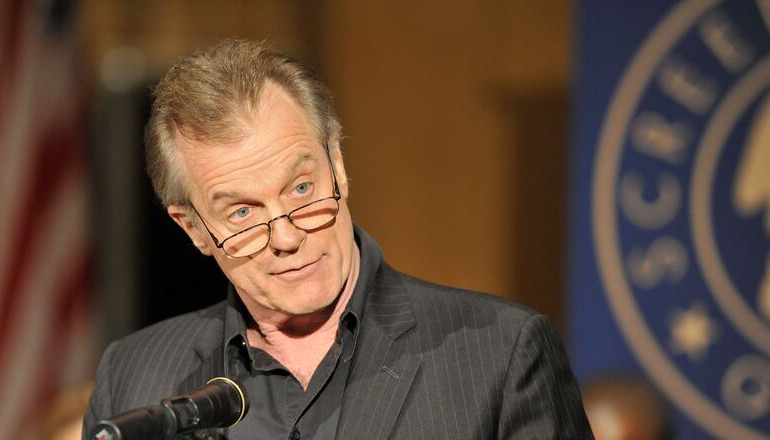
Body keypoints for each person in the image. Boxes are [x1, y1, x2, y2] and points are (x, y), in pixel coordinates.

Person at [83, 39, 593, 439]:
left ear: (338, 165)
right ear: (193, 228)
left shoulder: (500, 354)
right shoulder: (134, 377)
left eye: (301, 189)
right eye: (242, 211)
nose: (285, 235)